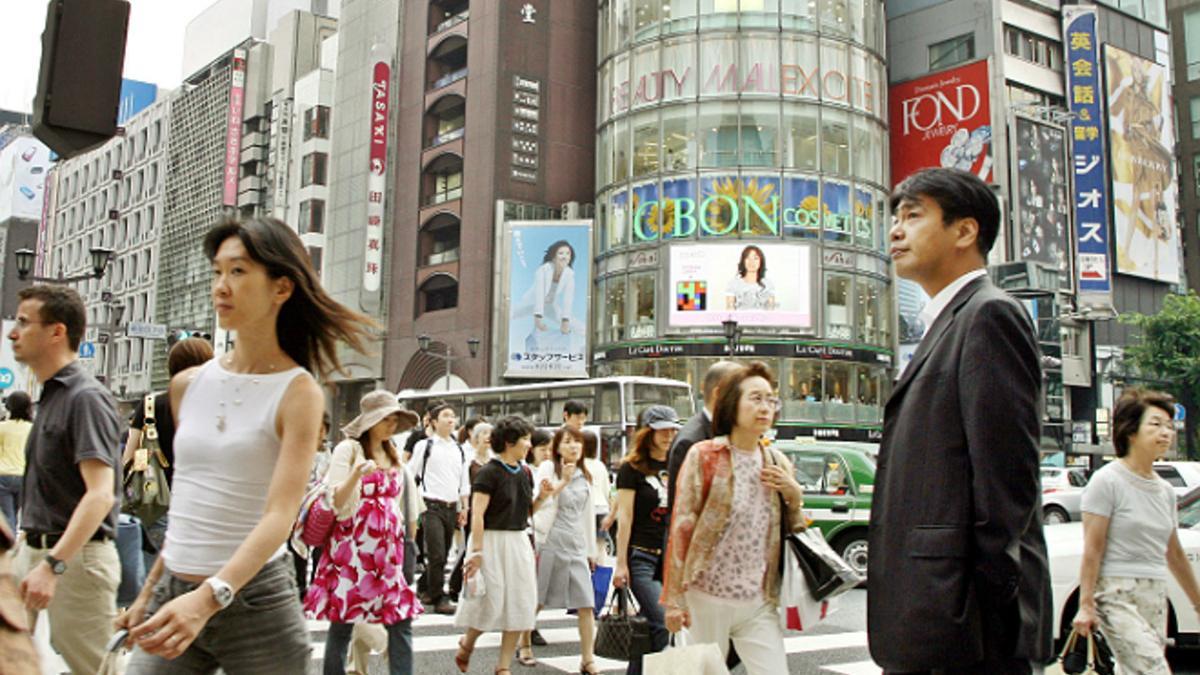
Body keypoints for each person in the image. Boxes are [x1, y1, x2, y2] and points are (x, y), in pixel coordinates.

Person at [117, 216, 373, 673]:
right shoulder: (185, 386)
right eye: (217, 271)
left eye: (237, 271)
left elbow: (280, 513)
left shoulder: (299, 393)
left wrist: (210, 597)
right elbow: (188, 502)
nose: (221, 285)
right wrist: (150, 592)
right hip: (176, 591)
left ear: (281, 288)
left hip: (255, 604)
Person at [868, 167, 1052, 674]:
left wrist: (986, 612)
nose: (896, 230)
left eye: (913, 215)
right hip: (938, 623)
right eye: (895, 217)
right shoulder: (946, 323)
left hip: (966, 629)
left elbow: (1005, 480)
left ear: (965, 231)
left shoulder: (989, 315)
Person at [661, 361, 804, 675]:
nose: (765, 407)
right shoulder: (704, 455)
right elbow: (682, 525)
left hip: (758, 599)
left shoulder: (777, 461)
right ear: (731, 403)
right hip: (706, 596)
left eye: (770, 399)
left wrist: (794, 495)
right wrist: (674, 599)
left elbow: (796, 527)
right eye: (755, 398)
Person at [7, 285, 122, 674]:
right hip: (37, 550)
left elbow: (100, 495)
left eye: (24, 323)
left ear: (57, 331)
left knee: (96, 669)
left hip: (75, 559)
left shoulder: (84, 398)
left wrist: (53, 564)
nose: (12, 333)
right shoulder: (51, 397)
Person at [1072, 389, 1200, 674]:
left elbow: (1174, 553)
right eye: (1155, 424)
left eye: (1169, 425)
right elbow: (1093, 549)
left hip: (1154, 593)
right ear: (1131, 431)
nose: (1166, 432)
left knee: (1132, 670)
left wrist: (1197, 603)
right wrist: (1086, 604)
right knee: (1153, 670)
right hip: (1115, 593)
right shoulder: (1107, 481)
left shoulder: (1165, 491)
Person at [305, 390, 423, 675]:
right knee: (343, 623)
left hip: (387, 554)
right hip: (352, 551)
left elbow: (397, 502)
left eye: (395, 420)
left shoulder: (392, 451)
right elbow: (336, 500)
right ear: (370, 421)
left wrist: (406, 537)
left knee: (400, 620)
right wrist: (357, 474)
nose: (391, 425)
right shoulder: (349, 449)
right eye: (386, 419)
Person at [454, 415, 539, 675]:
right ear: (510, 442)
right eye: (524, 439)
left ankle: (502, 667)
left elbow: (527, 513)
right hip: (489, 540)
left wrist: (547, 496)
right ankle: (467, 644)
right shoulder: (489, 472)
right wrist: (476, 552)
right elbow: (478, 514)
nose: (529, 444)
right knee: (490, 601)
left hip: (517, 541)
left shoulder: (525, 472)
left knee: (520, 602)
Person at [122, 337, 214, 572]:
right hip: (202, 504)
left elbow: (128, 457)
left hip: (154, 501)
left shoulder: (150, 404)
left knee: (155, 574)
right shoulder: (215, 405)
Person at [613, 405, 680, 675]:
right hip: (641, 557)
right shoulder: (632, 468)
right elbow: (625, 518)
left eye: (673, 428)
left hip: (670, 558)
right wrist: (620, 564)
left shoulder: (678, 463)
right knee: (663, 623)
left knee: (651, 629)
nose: (669, 434)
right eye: (662, 429)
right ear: (648, 432)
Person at [530, 426, 600, 673]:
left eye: (577, 442)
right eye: (568, 442)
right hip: (551, 539)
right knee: (539, 596)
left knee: (586, 602)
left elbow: (588, 515)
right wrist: (564, 481)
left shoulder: (586, 473)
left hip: (576, 543)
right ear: (557, 447)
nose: (574, 446)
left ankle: (587, 658)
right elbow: (539, 502)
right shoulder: (549, 469)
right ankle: (524, 642)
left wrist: (592, 550)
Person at [409, 402, 470, 614]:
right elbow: (410, 475)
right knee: (436, 554)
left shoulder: (458, 449)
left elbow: (464, 480)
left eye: (453, 415)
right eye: (445, 415)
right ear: (434, 422)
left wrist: (465, 507)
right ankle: (438, 598)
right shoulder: (425, 446)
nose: (451, 419)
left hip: (451, 506)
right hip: (430, 505)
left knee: (443, 554)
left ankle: (425, 588)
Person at [288, 412, 335, 601]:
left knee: (320, 548)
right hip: (298, 506)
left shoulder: (328, 452)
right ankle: (300, 587)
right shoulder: (296, 450)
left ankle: (317, 586)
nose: (318, 433)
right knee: (297, 548)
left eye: (322, 429)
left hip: (320, 508)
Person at [448, 422, 493, 599]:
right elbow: (463, 486)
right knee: (468, 547)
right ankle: (455, 584)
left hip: (491, 510)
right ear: (476, 437)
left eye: (490, 433)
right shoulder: (468, 459)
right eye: (484, 433)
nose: (488, 437)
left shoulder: (495, 460)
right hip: (473, 509)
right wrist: (463, 508)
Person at [514, 240, 578, 352]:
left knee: (575, 325)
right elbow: (539, 294)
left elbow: (568, 298)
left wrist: (565, 320)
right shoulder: (543, 270)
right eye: (561, 253)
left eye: (568, 254)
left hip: (550, 305)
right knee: (511, 315)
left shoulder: (569, 274)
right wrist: (538, 318)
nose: (565, 256)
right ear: (553, 256)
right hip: (530, 303)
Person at [0, 391, 33, 528]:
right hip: (24, 476)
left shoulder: (2, 427)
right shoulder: (32, 429)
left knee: (8, 516)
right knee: (17, 514)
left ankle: (10, 547)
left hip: (3, 476)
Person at [724, 245, 776, 311]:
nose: (752, 262)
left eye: (756, 258)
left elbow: (770, 311)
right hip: (740, 320)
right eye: (748, 258)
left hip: (761, 320)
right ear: (743, 261)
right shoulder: (733, 284)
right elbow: (730, 309)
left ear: (761, 262)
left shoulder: (768, 284)